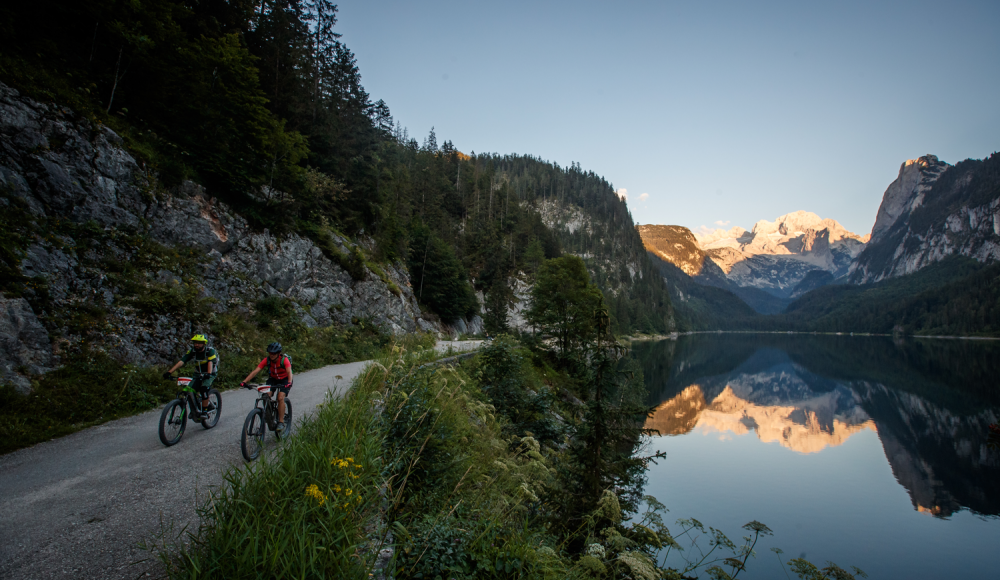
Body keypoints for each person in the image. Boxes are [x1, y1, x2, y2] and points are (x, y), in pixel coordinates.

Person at [240, 342, 293, 434]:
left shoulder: (284, 360)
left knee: (280, 398)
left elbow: (289, 372)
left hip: (285, 380)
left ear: (278, 353)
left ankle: (281, 422)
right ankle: (268, 415)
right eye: (270, 353)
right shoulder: (267, 360)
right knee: (265, 395)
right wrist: (244, 382)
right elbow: (256, 371)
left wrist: (289, 382)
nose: (271, 355)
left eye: (274, 353)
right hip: (273, 379)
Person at [164, 334, 218, 419]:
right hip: (198, 373)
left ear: (204, 343)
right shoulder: (193, 351)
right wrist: (169, 372)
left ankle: (204, 411)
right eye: (195, 342)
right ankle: (194, 410)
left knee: (204, 389)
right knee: (189, 390)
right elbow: (182, 361)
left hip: (209, 373)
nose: (196, 344)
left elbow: (210, 362)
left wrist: (208, 374)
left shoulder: (209, 351)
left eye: (199, 343)